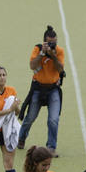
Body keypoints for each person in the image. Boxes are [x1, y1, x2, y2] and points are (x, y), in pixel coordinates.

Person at [17, 25, 65, 156]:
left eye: (54, 42)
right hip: (38, 88)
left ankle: (51, 147)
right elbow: (32, 65)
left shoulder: (59, 51)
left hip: (53, 89)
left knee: (53, 119)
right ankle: (21, 138)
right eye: (50, 42)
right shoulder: (37, 49)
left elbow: (61, 69)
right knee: (30, 117)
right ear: (44, 41)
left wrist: (53, 56)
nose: (52, 45)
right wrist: (42, 54)